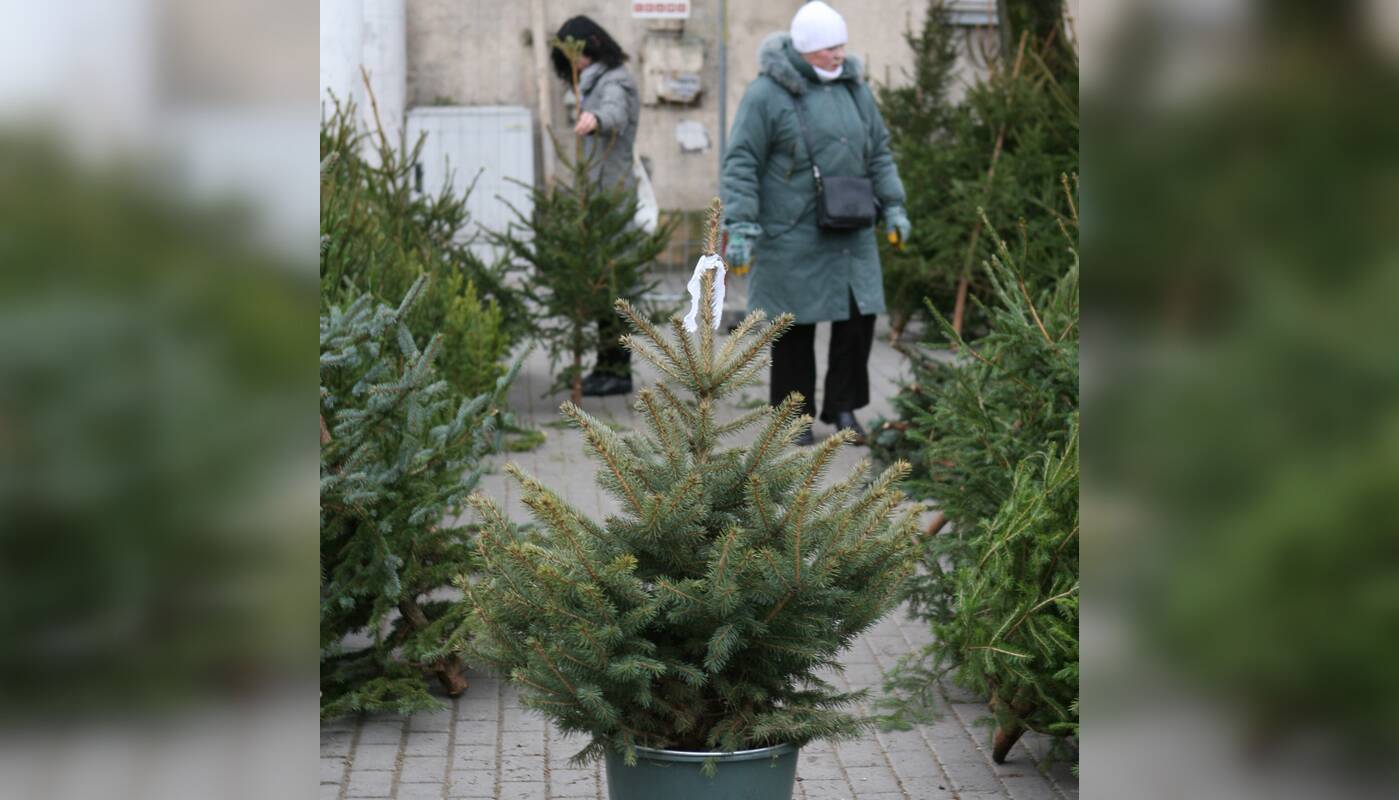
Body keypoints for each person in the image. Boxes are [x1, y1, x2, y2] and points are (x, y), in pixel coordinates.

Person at [721, 1, 910, 446]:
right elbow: (742, 161)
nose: (837, 55)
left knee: (856, 322)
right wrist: (742, 225)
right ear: (804, 50)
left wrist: (895, 206)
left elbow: (879, 151)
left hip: (852, 229)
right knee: (793, 328)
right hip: (792, 233)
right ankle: (793, 416)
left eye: (840, 45)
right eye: (827, 48)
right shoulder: (766, 94)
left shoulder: (855, 90)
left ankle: (844, 408)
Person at [550, 15, 641, 397]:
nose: (577, 63)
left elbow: (615, 114)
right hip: (596, 195)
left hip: (611, 199)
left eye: (580, 55)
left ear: (593, 46)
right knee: (601, 288)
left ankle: (617, 372)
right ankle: (605, 366)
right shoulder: (591, 82)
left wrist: (596, 118)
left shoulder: (614, 81)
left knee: (612, 287)